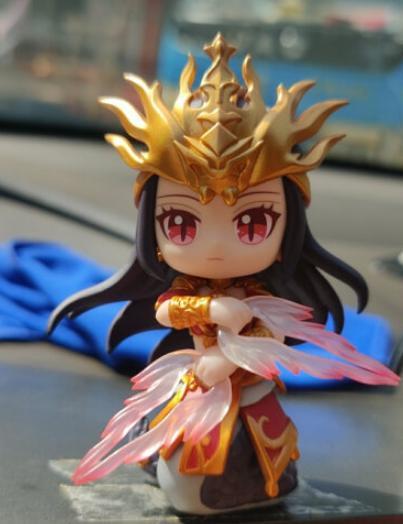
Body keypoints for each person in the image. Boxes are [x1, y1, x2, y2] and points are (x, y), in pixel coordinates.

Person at [49, 34, 399, 515]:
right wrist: (213, 311)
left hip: (247, 395)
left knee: (227, 470)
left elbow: (271, 336)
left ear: (290, 228)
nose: (216, 246)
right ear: (152, 227)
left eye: (252, 223)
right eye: (181, 223)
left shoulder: (264, 296)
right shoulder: (187, 290)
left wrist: (230, 358)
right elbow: (168, 310)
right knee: (178, 456)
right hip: (195, 386)